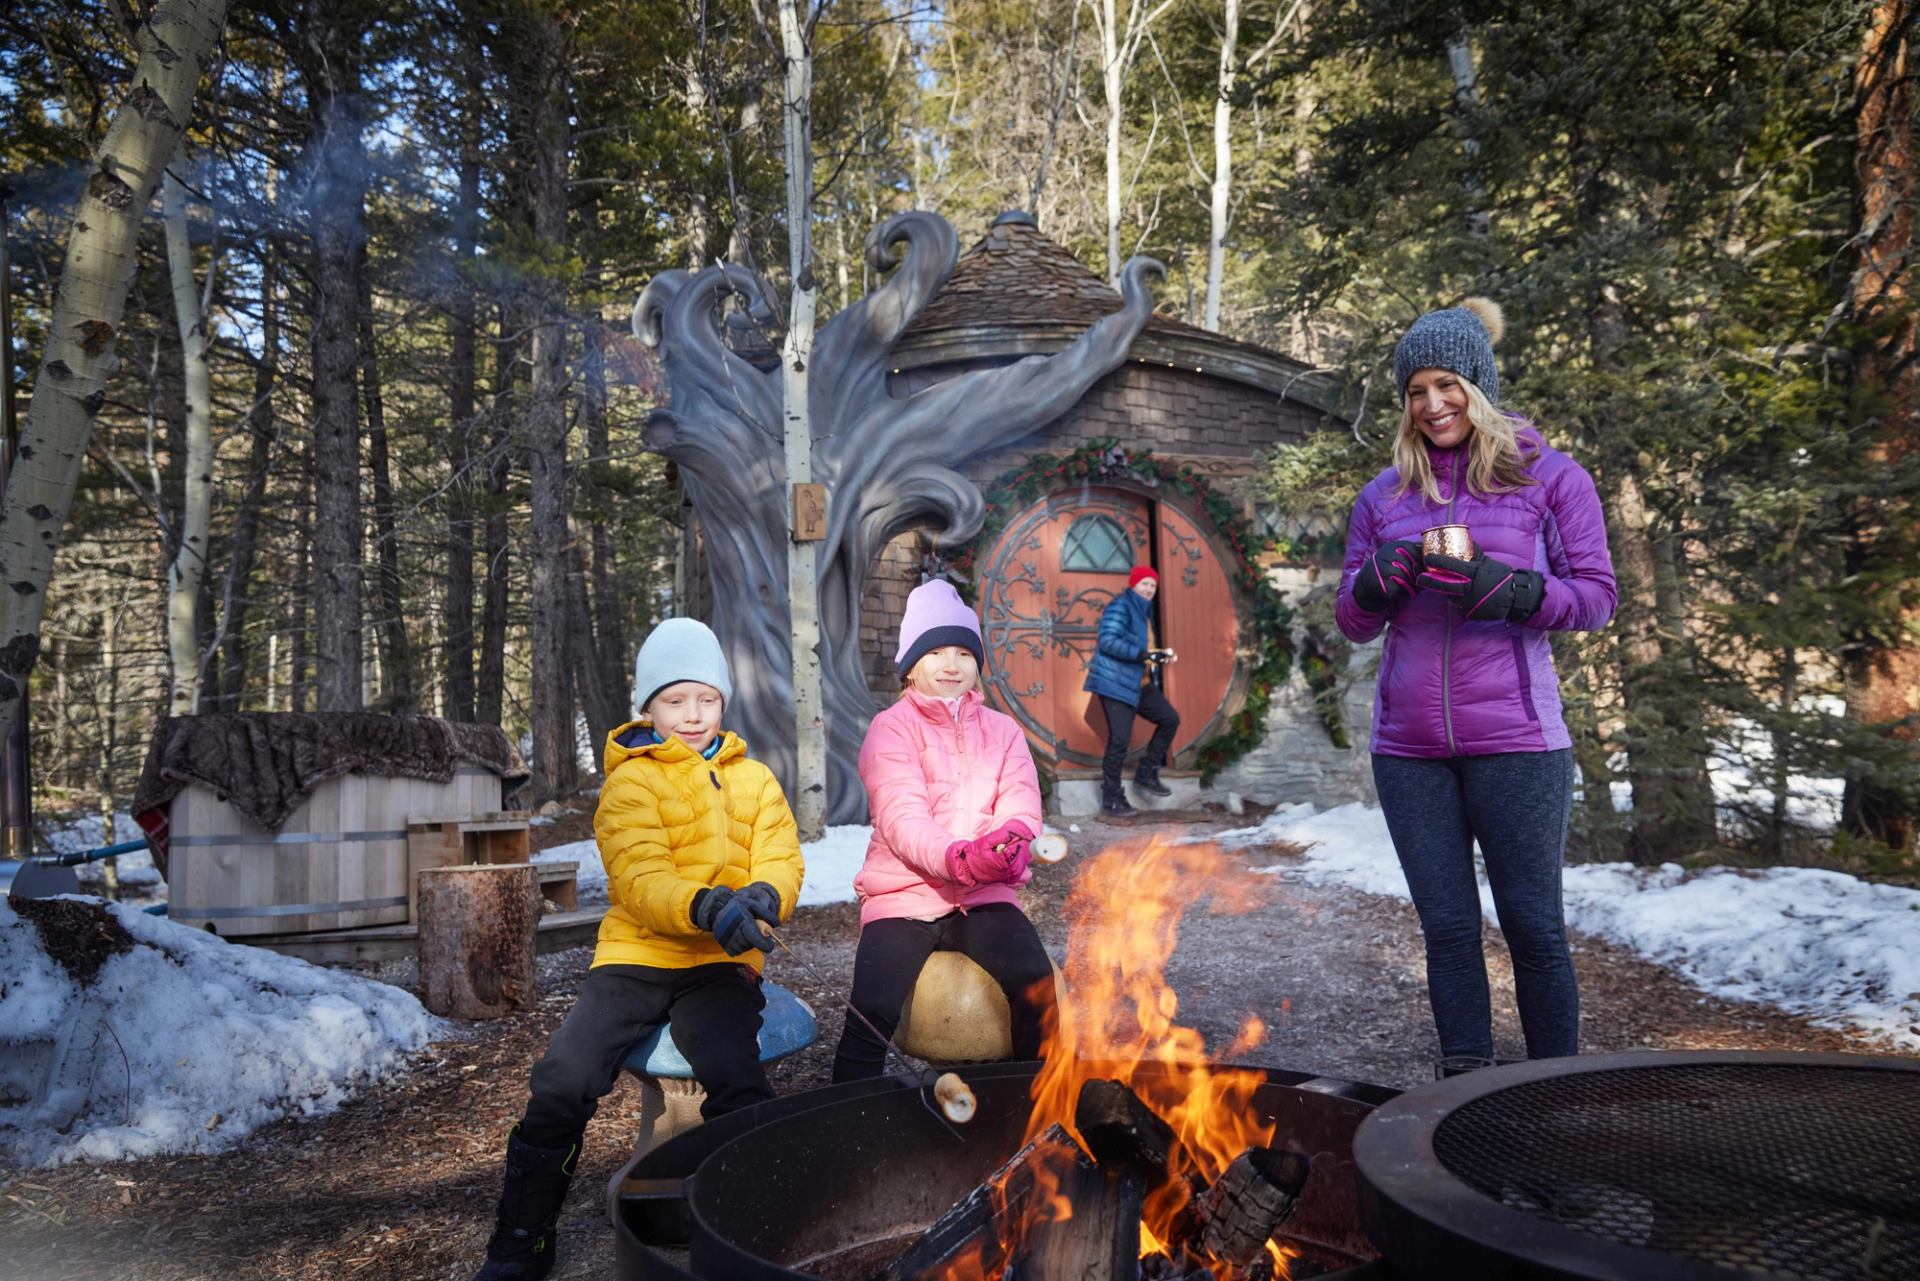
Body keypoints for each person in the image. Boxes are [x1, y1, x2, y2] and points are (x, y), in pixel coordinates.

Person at [471, 618, 802, 1281]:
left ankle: (763, 1230)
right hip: (637, 956)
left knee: (738, 1078)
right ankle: (520, 1242)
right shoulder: (630, 782)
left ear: (723, 703)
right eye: (675, 700)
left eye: (705, 699)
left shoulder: (755, 779)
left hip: (718, 964)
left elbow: (782, 857)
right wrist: (707, 904)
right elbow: (639, 876)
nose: (692, 714)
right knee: (564, 1078)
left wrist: (763, 897)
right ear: (648, 707)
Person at [1335, 297, 1616, 1068]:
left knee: (1531, 923)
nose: (1432, 405)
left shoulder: (1551, 480)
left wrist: (1514, 590)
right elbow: (1352, 624)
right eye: (1417, 391)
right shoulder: (1383, 496)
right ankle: (1464, 1088)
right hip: (1410, 750)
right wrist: (1373, 586)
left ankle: (1552, 1088)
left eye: (1448, 385)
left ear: (1480, 385)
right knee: (1449, 928)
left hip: (1519, 744)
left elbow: (1596, 596)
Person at [831, 579, 1057, 1082]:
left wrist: (1012, 843)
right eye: (935, 651)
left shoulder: (1003, 730)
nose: (951, 664)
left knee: (1037, 987)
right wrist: (958, 857)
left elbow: (1020, 797)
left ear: (978, 663)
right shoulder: (891, 728)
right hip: (906, 894)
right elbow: (901, 815)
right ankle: (845, 1128)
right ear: (911, 665)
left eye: (963, 652)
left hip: (984, 894)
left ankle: (1029, 1108)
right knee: (870, 1012)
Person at [1084, 564, 1180, 818]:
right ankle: (1112, 798)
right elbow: (1107, 641)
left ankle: (1146, 772)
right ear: (1133, 585)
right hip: (1115, 683)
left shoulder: (1143, 611)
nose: (1149, 589)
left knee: (1169, 719)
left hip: (1138, 682)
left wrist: (1155, 657)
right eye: (1144, 584)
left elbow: (1143, 646)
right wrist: (1140, 654)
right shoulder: (1121, 606)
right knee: (1119, 740)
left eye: (1152, 585)